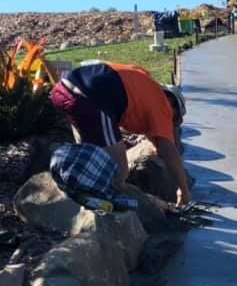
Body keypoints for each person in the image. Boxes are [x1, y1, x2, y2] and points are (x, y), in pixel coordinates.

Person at [51, 62, 191, 208]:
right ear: (173, 105)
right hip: (90, 99)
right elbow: (167, 150)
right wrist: (184, 190)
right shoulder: (163, 104)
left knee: (92, 156)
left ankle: (75, 189)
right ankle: (97, 205)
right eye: (174, 120)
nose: (170, 124)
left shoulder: (145, 85)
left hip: (63, 90)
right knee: (119, 171)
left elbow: (155, 141)